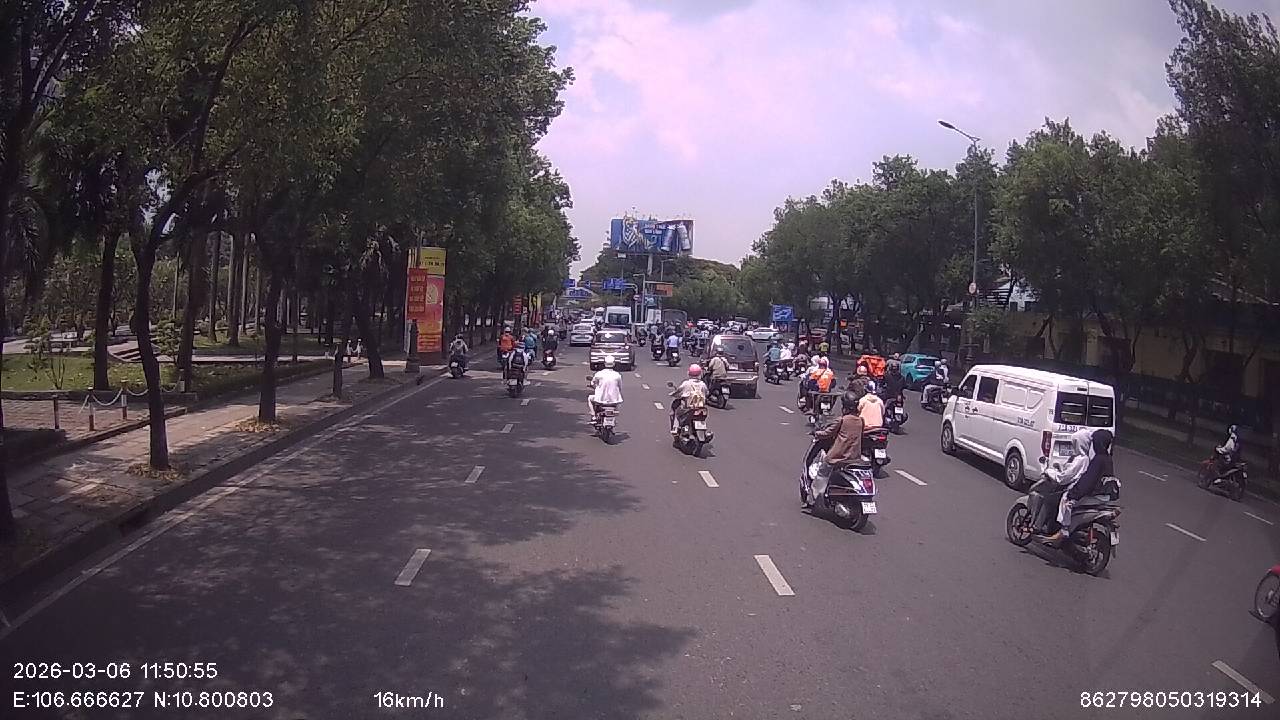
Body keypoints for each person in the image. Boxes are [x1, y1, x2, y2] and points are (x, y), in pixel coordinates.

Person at [1046, 429, 1115, 544]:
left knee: (1066, 500)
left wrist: (1073, 494)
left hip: (1095, 495)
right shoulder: (1107, 458)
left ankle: (1064, 530)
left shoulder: (1097, 460)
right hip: (1104, 496)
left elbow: (1087, 482)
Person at [805, 391, 867, 506]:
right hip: (854, 458)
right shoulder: (861, 421)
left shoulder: (842, 420)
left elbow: (828, 433)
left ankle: (812, 501)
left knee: (821, 475)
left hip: (837, 457)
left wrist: (816, 433)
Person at [1030, 429, 1093, 540]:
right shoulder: (1084, 459)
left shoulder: (1080, 460)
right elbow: (1069, 472)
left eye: (1075, 443)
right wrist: (1060, 468)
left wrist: (1049, 472)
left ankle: (1037, 527)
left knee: (1048, 500)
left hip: (1068, 489)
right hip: (1072, 488)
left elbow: (1063, 478)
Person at [670, 364, 709, 434]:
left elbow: (679, 392)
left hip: (688, 408)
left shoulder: (686, 383)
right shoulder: (703, 384)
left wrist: (673, 394)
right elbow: (706, 393)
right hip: (701, 408)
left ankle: (675, 428)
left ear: (689, 373)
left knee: (676, 413)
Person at [588, 356, 624, 422]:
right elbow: (620, 387)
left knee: (590, 398)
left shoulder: (599, 374)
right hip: (614, 401)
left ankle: (593, 416)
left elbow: (593, 383)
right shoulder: (617, 375)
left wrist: (594, 386)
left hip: (600, 400)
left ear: (604, 364)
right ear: (613, 364)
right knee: (618, 405)